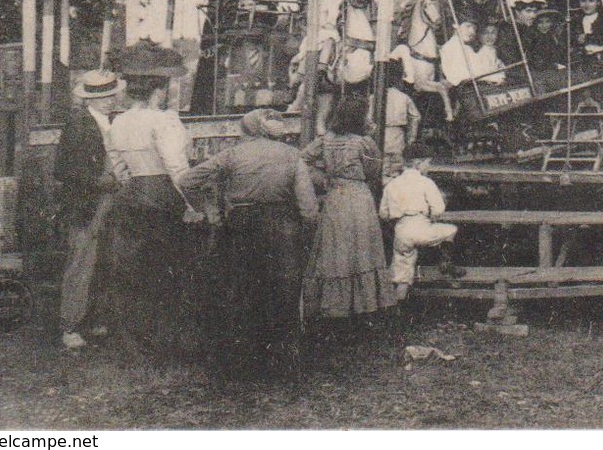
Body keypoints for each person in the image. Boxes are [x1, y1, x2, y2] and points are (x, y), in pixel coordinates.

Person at [177, 108, 316, 379]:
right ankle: (282, 362)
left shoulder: (232, 154)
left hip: (241, 225)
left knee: (241, 290)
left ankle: (241, 361)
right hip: (282, 226)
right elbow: (309, 207)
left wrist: (207, 210)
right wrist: (305, 230)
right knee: (282, 292)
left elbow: (187, 180)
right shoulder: (292, 156)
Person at [103, 39, 199, 359]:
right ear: (160, 89)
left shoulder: (119, 121)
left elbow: (118, 167)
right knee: (168, 269)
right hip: (162, 197)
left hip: (132, 197)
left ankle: (137, 341)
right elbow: (177, 167)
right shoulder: (164, 120)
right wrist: (192, 204)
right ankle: (165, 342)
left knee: (135, 272)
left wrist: (134, 187)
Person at [301, 96, 396, 319]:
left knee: (336, 249)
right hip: (359, 197)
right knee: (362, 248)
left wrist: (323, 178)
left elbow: (302, 160)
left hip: (336, 197)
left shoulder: (325, 140)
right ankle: (362, 306)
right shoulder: (364, 143)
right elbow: (374, 171)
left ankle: (336, 306)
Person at [54, 69, 122, 351]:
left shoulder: (111, 121)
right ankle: (69, 326)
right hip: (86, 203)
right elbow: (63, 169)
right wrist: (99, 181)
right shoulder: (78, 123)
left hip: (109, 199)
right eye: (101, 97)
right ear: (88, 100)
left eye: (111, 95)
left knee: (104, 261)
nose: (108, 101)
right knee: (81, 263)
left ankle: (94, 319)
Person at [379, 143, 458, 302]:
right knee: (451, 230)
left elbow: (383, 214)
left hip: (401, 231)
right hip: (422, 228)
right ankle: (445, 261)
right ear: (417, 163)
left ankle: (395, 309)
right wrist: (431, 216)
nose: (428, 167)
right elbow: (438, 209)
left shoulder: (391, 184)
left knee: (402, 275)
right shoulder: (426, 182)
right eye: (427, 163)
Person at [381, 61, 423, 177]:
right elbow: (415, 117)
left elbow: (368, 119)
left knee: (381, 169)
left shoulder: (375, 97)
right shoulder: (404, 97)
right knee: (396, 169)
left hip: (381, 134)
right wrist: (411, 137)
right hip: (398, 135)